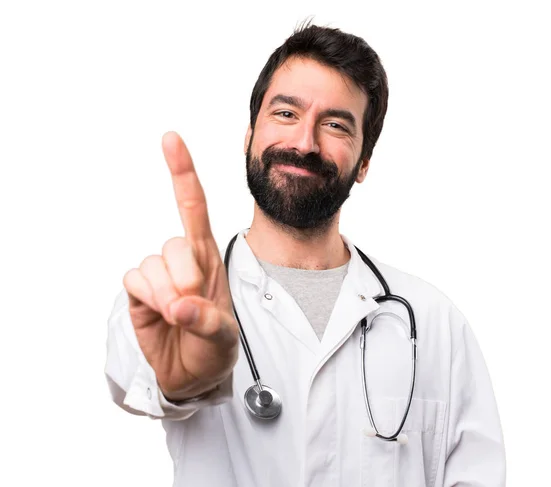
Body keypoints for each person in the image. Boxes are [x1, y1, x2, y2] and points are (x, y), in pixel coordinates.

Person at [104, 21, 505, 486]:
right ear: (250, 133)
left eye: (335, 124)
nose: (304, 142)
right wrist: (182, 381)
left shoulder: (432, 321)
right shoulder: (182, 297)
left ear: (364, 163)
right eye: (286, 114)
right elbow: (132, 372)